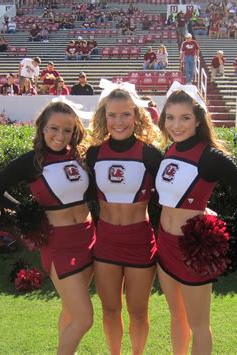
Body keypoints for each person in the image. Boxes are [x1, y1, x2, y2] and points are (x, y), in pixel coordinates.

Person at [155, 81, 237, 354]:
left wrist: (223, 231)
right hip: (164, 244)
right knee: (176, 316)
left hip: (193, 250)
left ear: (198, 120)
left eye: (184, 118)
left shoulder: (210, 157)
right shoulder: (169, 150)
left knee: (199, 325)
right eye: (170, 117)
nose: (176, 125)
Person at [0, 100, 95, 354]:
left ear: (74, 132)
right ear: (42, 128)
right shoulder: (31, 162)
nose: (60, 136)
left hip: (89, 237)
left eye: (67, 130)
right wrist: (25, 211)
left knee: (70, 310)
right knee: (84, 318)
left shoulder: (80, 156)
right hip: (59, 243)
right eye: (53, 128)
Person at [86, 80, 162, 355]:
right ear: (103, 118)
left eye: (125, 114)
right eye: (112, 115)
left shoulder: (150, 154)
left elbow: (174, 192)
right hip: (105, 241)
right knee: (109, 309)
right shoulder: (94, 154)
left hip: (139, 241)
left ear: (137, 115)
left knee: (138, 312)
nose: (118, 121)